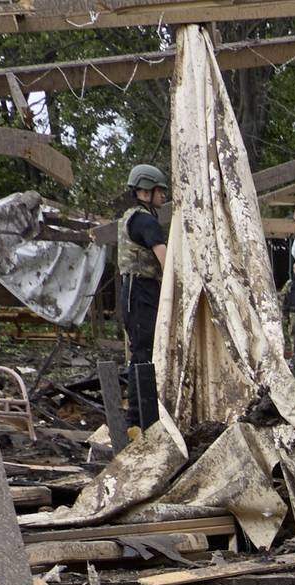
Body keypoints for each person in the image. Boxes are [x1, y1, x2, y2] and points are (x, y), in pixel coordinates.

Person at [117, 163, 170, 430]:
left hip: (133, 290)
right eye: (160, 189)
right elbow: (165, 259)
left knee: (141, 352)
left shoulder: (130, 217)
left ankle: (139, 417)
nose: (164, 195)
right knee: (143, 354)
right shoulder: (146, 221)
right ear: (146, 190)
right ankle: (138, 419)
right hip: (141, 291)